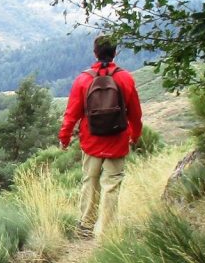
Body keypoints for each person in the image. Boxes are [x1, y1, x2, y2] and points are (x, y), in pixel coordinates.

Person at [58, 36, 144, 240]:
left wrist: (65, 137)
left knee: (90, 181)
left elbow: (71, 114)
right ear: (115, 52)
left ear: (95, 53)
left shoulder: (83, 79)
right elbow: (135, 114)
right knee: (111, 185)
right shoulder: (125, 78)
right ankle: (105, 231)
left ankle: (86, 225)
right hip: (117, 140)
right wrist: (135, 135)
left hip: (91, 141)